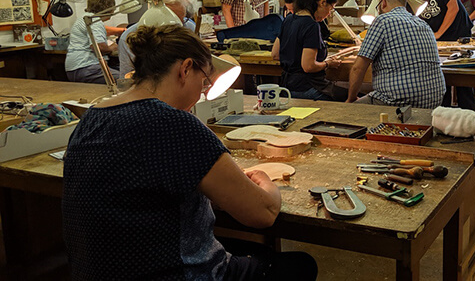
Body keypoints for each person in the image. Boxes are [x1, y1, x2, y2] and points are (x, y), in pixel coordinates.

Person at [62, 24, 317, 280]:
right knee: (300, 265)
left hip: (98, 273)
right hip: (173, 274)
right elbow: (263, 214)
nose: (203, 94)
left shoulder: (91, 119)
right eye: (205, 82)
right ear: (185, 69)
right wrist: (265, 184)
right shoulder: (172, 124)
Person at [346, 0, 445, 108]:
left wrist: (351, 99)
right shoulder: (423, 24)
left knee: (347, 112)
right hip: (433, 101)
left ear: (383, 3)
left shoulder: (382, 21)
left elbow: (358, 68)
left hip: (398, 102)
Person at [393, 0, 475, 110]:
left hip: (459, 35)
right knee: (442, 81)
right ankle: (445, 120)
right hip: (437, 42)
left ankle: (470, 120)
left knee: (463, 81)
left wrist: (438, 33)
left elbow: (453, 8)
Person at [271, 0, 342, 100]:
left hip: (287, 87)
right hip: (306, 88)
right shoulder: (311, 25)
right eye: (330, 9)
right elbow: (308, 66)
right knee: (352, 98)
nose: (329, 14)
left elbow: (275, 54)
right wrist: (328, 63)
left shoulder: (289, 19)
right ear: (322, 3)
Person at [118, 0, 196, 78]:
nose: (180, 24)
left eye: (182, 18)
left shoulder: (188, 26)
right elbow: (127, 77)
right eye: (174, 20)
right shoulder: (128, 38)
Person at [65, 0, 120, 84]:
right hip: (86, 68)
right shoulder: (94, 21)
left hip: (75, 67)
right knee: (126, 80)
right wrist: (112, 48)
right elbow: (99, 47)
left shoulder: (85, 18)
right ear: (108, 7)